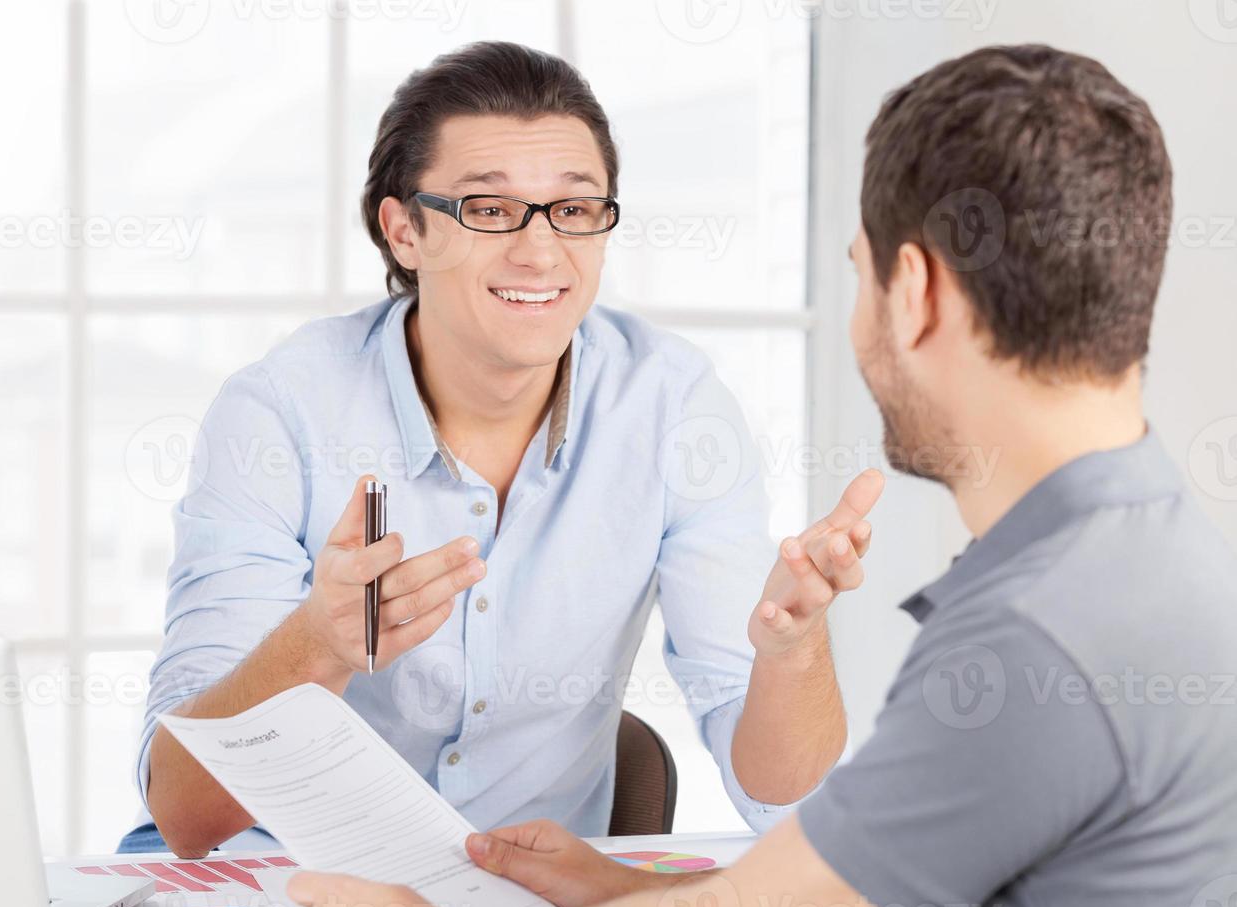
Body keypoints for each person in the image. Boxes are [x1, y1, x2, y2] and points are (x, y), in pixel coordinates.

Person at [287, 44, 1237, 907]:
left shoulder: (1036, 639)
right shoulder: (1147, 565)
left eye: (859, 273)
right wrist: (629, 897)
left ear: (914, 294)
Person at [128, 40, 882, 859]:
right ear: (403, 230)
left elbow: (781, 799)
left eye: (574, 208)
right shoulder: (280, 415)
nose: (539, 249)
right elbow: (184, 812)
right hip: (281, 900)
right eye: (488, 210)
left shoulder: (673, 410)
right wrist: (320, 642)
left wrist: (794, 651)